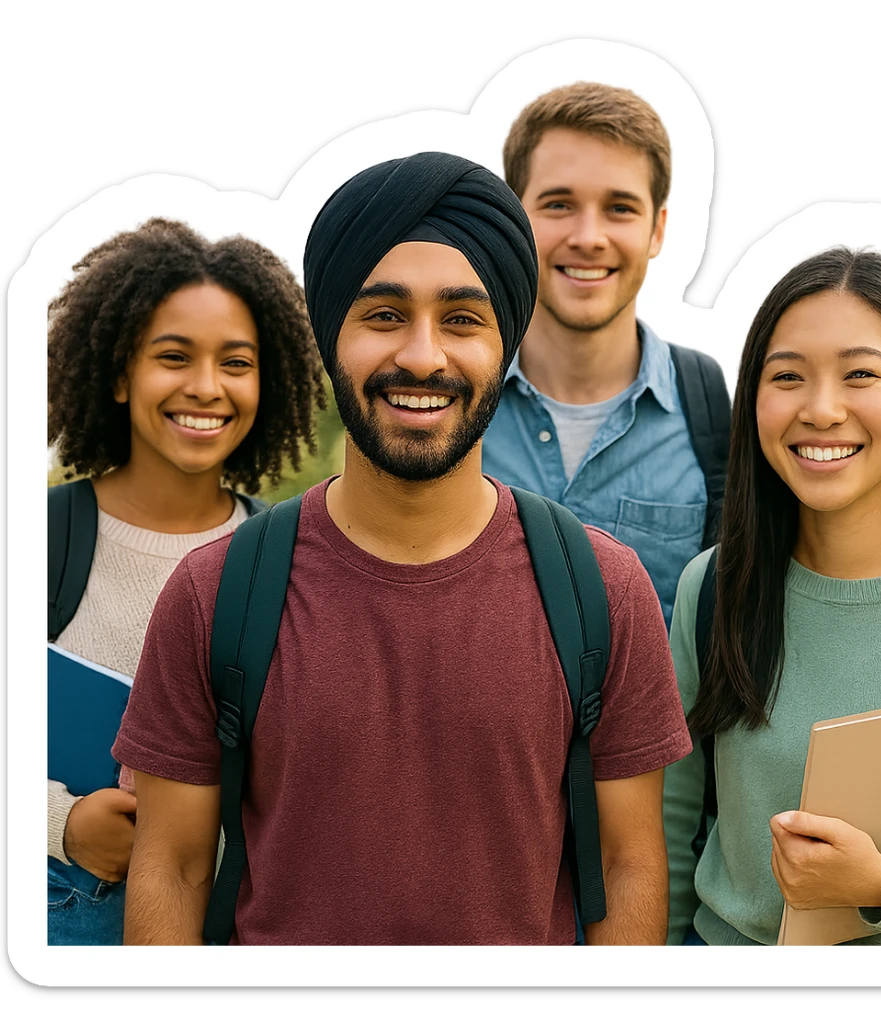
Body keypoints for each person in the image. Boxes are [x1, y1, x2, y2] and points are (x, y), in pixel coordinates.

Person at [112, 152, 692, 946]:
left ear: (507, 342)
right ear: (329, 338)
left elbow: (629, 863)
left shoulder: (604, 589)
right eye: (384, 316)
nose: (423, 356)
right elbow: (171, 867)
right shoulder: (216, 592)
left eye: (462, 319)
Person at [663, 247, 881, 945]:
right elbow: (667, 835)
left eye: (860, 374)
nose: (822, 409)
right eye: (788, 377)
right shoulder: (712, 588)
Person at [47, 217, 327, 945]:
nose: (206, 388)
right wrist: (60, 821)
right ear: (117, 373)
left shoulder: (295, 558)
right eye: (174, 357)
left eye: (236, 363)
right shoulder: (37, 541)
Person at [483, 81, 730, 633]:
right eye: (559, 204)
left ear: (657, 229)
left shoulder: (713, 414)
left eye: (619, 207)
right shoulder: (452, 403)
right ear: (513, 216)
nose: (589, 237)